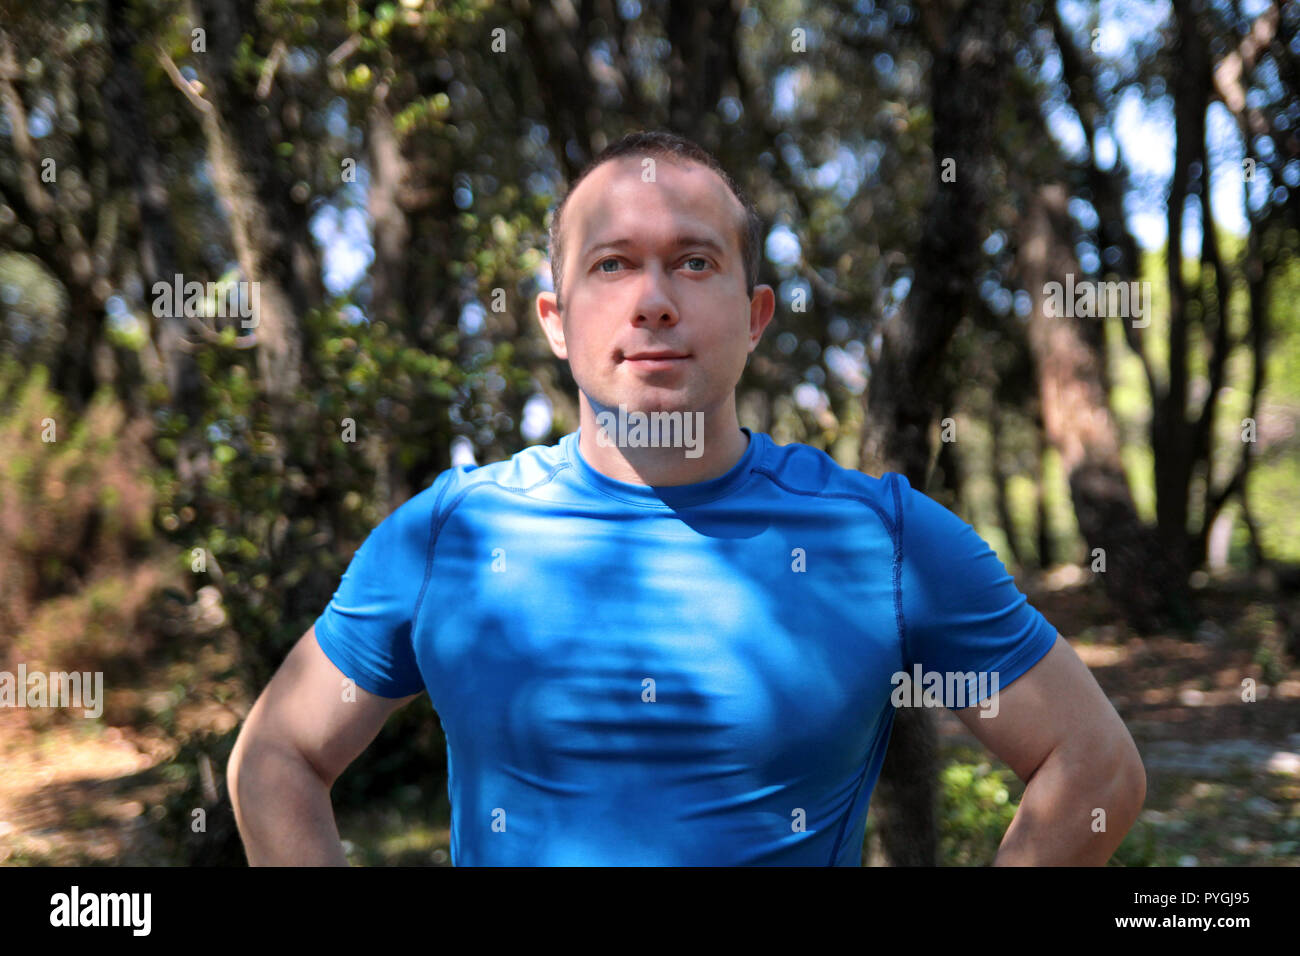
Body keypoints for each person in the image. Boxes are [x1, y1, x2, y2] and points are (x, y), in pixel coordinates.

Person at [228, 131, 1145, 866]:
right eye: (612, 264)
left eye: (695, 263)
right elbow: (277, 757)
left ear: (755, 317)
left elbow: (1096, 766)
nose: (653, 301)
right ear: (555, 320)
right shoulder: (446, 537)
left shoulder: (884, 540)